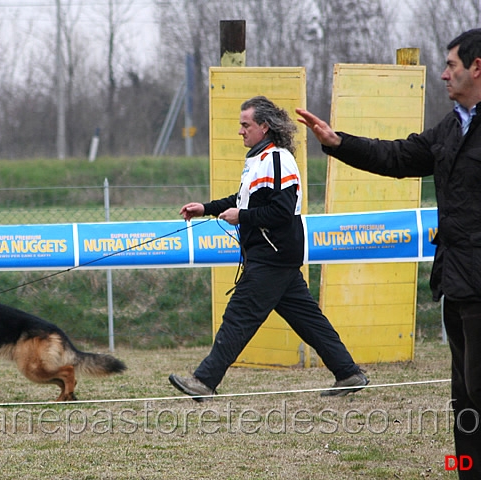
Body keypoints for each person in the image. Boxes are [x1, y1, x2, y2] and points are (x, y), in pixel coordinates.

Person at [296, 28, 481, 480]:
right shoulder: (451, 127)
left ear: (478, 67)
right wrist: (338, 143)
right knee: (466, 402)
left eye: (452, 65)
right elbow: (397, 157)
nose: (443, 74)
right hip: (455, 286)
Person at [169, 95, 368, 402]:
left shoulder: (277, 159)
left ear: (264, 126)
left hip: (272, 256)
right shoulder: (260, 160)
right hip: (276, 256)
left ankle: (204, 381)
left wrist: (242, 217)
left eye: (245, 125)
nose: (240, 131)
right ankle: (348, 373)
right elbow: (244, 200)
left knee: (239, 316)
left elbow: (281, 212)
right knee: (309, 321)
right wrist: (205, 208)